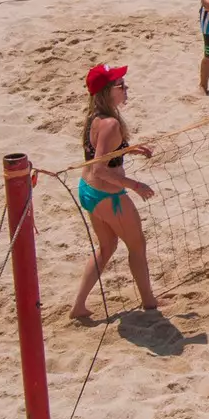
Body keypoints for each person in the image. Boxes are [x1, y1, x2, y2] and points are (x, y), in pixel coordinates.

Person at [70, 64, 160, 320]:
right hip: (108, 197)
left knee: (107, 247)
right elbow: (100, 169)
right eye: (121, 86)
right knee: (137, 246)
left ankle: (79, 306)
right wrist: (135, 185)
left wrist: (127, 149)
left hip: (88, 191)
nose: (126, 88)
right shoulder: (110, 124)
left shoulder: (96, 116)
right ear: (108, 92)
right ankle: (150, 303)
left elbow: (100, 151)